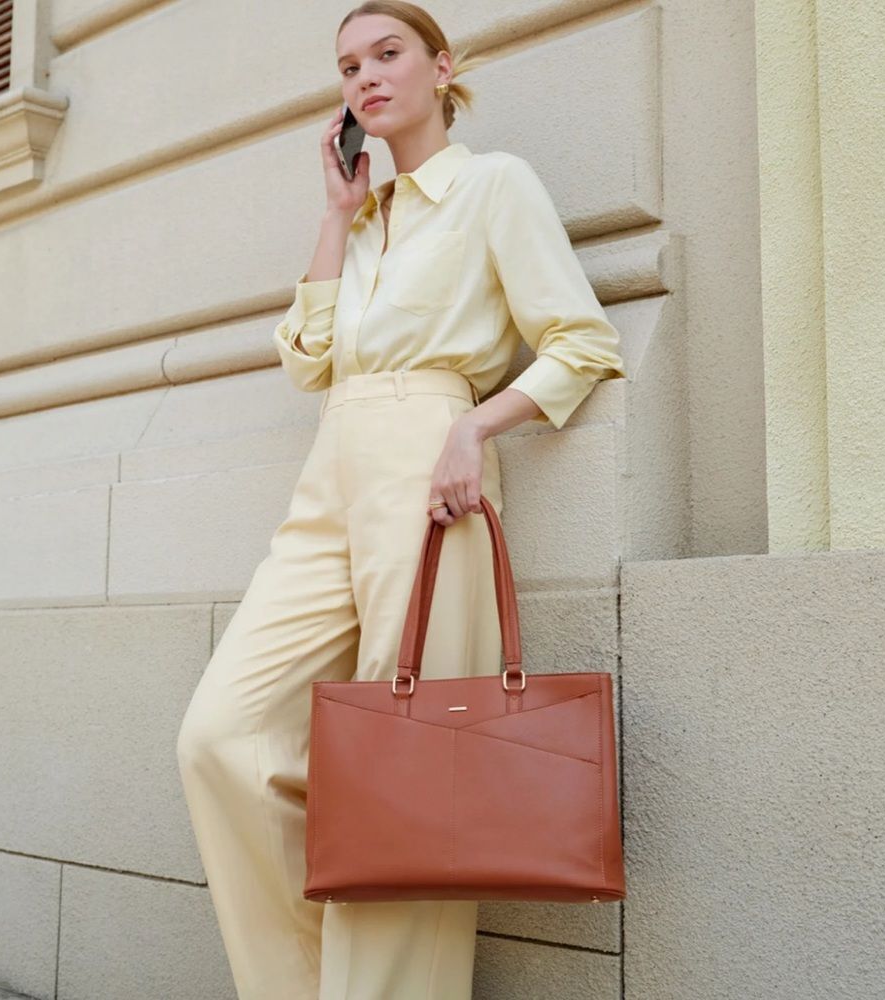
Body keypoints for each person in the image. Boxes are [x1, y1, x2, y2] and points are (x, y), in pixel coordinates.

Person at [175, 3, 628, 998]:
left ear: (441, 67)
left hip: (431, 469)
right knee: (220, 735)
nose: (365, 78)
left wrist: (472, 425)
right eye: (348, 66)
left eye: (386, 55)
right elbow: (306, 360)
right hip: (331, 469)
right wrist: (336, 213)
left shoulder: (492, 186)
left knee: (408, 769)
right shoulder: (366, 221)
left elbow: (582, 344)